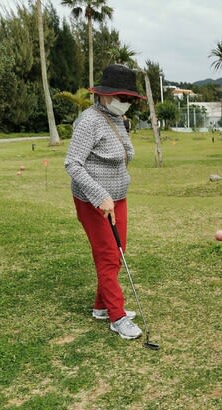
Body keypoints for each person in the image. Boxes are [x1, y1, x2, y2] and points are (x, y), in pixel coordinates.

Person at [64, 64, 146, 340]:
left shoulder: (116, 118)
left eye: (129, 99)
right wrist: (100, 196)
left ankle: (101, 306)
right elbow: (72, 164)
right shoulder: (88, 121)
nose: (126, 103)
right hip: (93, 202)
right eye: (122, 98)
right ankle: (117, 316)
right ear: (105, 94)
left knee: (117, 252)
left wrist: (112, 196)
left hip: (118, 199)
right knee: (108, 256)